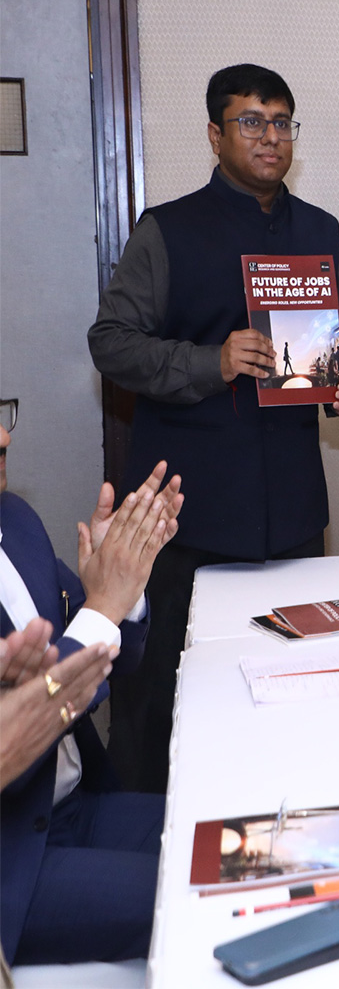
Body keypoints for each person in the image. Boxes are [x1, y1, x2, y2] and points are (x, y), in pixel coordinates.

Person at [87, 64, 339, 793]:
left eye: (281, 123)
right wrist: (210, 361)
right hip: (190, 507)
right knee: (171, 689)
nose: (269, 138)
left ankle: (293, 798)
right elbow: (111, 342)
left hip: (294, 507)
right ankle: (147, 835)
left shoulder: (318, 229)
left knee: (299, 673)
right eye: (251, 122)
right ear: (216, 134)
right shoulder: (169, 229)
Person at [0, 404, 182, 966]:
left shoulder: (16, 521)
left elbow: (106, 658)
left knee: (236, 839)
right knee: (206, 897)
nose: (3, 434)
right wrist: (105, 605)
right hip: (15, 864)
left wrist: (119, 587)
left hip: (75, 805)